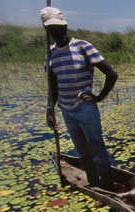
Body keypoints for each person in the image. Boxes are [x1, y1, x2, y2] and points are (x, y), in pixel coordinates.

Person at [41, 6, 118, 190]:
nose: (58, 32)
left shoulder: (83, 46)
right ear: (47, 30)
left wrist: (99, 97)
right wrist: (50, 110)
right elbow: (53, 86)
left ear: (66, 26)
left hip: (85, 109)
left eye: (60, 28)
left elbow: (111, 74)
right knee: (83, 152)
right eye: (52, 29)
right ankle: (93, 183)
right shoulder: (50, 53)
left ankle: (107, 188)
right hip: (66, 110)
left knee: (97, 150)